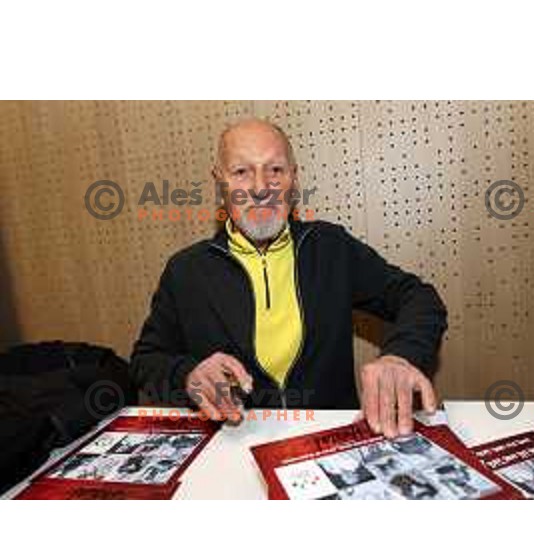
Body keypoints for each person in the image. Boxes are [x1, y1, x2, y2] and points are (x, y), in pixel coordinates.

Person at [130, 118, 448, 438]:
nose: (260, 188)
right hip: (233, 444)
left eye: (276, 170)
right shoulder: (185, 271)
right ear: (220, 181)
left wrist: (400, 356)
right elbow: (146, 360)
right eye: (241, 171)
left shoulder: (330, 247)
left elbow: (419, 298)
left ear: (293, 179)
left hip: (332, 440)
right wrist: (187, 376)